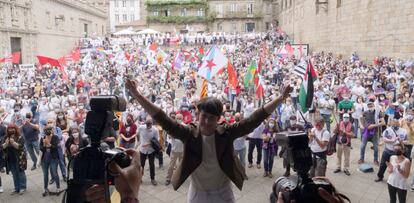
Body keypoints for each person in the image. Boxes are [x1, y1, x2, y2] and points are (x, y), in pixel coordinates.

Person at [124, 78, 292, 203]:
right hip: (198, 193)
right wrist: (137, 95)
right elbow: (163, 119)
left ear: (219, 119)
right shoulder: (189, 133)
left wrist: (280, 98)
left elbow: (253, 120)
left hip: (224, 191)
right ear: (198, 114)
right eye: (203, 116)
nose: (206, 121)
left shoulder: (226, 133)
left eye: (211, 118)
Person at [1, 124, 27, 195]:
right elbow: (2, 147)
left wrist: (13, 143)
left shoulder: (20, 137)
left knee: (20, 173)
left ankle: (22, 187)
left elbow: (20, 147)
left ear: (16, 129)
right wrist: (6, 144)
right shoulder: (5, 137)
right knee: (14, 174)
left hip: (19, 158)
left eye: (12, 128)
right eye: (9, 129)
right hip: (10, 159)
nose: (11, 130)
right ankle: (16, 188)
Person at [359, 101, 384, 165]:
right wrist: (361, 124)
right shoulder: (366, 112)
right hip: (366, 131)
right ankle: (361, 158)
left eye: (371, 106)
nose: (370, 107)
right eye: (369, 106)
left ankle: (375, 160)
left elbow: (383, 123)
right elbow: (360, 117)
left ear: (374, 106)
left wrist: (374, 125)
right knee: (362, 146)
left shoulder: (378, 113)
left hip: (375, 132)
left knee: (376, 147)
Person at [138, 117, 159, 186]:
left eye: (149, 124)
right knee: (142, 165)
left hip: (151, 150)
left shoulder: (155, 130)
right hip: (142, 150)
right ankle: (139, 178)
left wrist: (148, 143)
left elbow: (157, 140)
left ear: (152, 123)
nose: (148, 126)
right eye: (147, 124)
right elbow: (137, 132)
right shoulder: (141, 127)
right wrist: (139, 141)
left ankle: (152, 179)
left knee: (151, 165)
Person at [40, 126, 61, 196]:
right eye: (46, 130)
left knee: (55, 173)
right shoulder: (42, 138)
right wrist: (44, 144)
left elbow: (56, 147)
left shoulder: (55, 137)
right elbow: (41, 149)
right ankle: (45, 188)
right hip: (44, 159)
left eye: (50, 130)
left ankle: (58, 188)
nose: (48, 131)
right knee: (45, 175)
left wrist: (48, 144)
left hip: (53, 158)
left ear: (52, 130)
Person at [165, 114, 184, 186]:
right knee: (171, 166)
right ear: (175, 119)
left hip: (182, 150)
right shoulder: (173, 126)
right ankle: (168, 179)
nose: (179, 119)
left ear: (182, 119)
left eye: (180, 118)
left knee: (181, 166)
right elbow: (169, 136)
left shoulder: (185, 126)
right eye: (177, 118)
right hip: (174, 150)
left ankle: (179, 179)